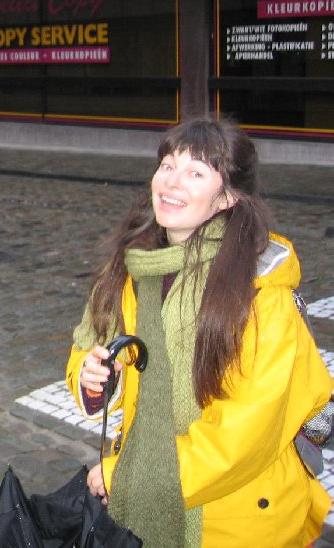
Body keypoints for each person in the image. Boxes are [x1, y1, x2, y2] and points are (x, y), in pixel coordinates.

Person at [65, 116, 333, 547]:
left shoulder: (260, 292)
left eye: (196, 173)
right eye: (167, 165)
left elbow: (245, 434)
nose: (172, 182)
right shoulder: (130, 267)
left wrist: (131, 477)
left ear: (227, 197)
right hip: (145, 508)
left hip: (236, 520)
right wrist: (93, 378)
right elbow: (86, 349)